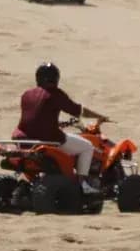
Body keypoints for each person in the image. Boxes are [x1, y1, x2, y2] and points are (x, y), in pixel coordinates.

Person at [13, 62, 110, 194]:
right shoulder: (55, 94)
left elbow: (37, 116)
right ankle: (83, 184)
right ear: (56, 78)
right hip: (48, 138)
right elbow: (78, 110)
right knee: (87, 146)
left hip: (23, 137)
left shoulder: (26, 94)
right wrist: (100, 116)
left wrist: (59, 123)